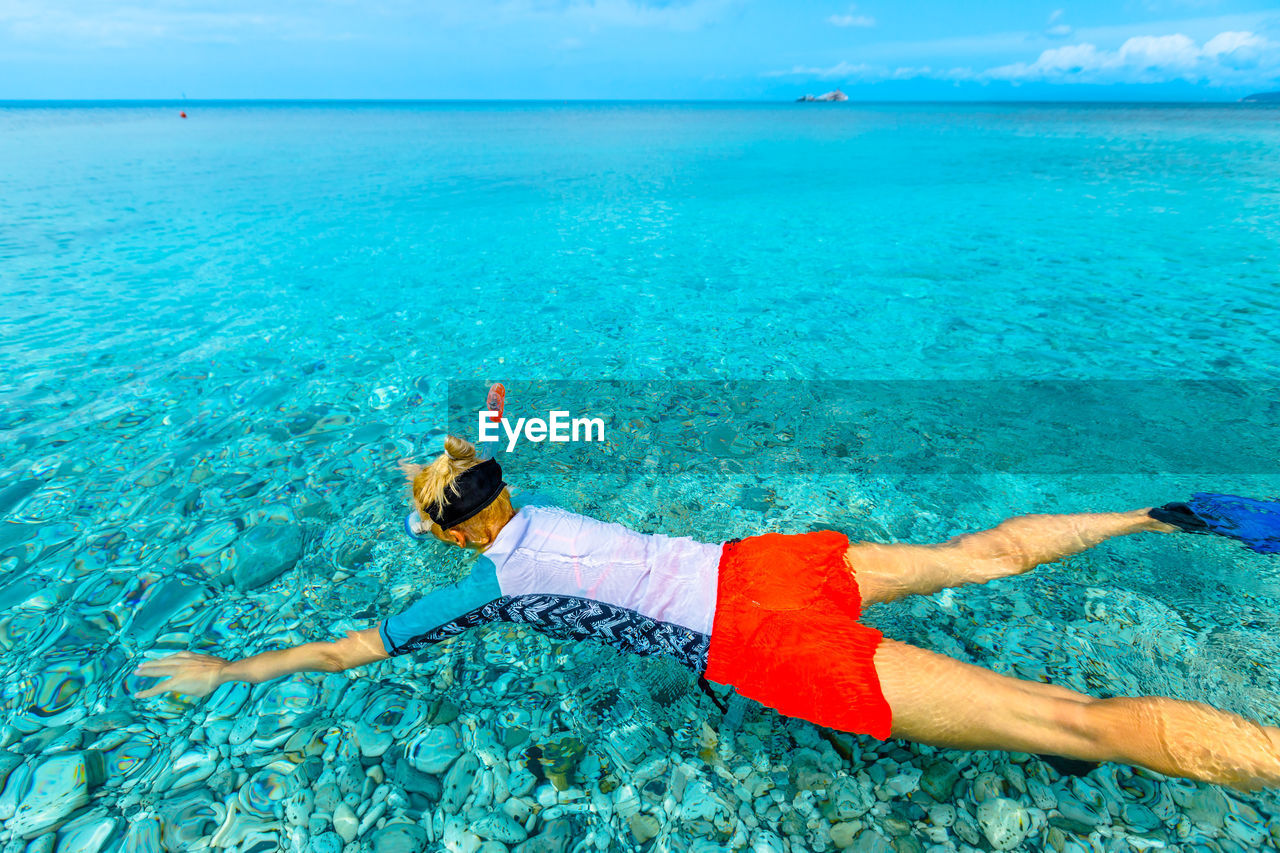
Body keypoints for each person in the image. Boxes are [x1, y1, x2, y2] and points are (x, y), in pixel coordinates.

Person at [134, 436, 1280, 792]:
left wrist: (228, 673)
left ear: (441, 531)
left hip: (757, 637)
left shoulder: (483, 584)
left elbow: (346, 648)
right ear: (502, 488)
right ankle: (1165, 514)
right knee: (971, 557)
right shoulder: (539, 503)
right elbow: (481, 459)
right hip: (763, 562)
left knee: (1071, 722)